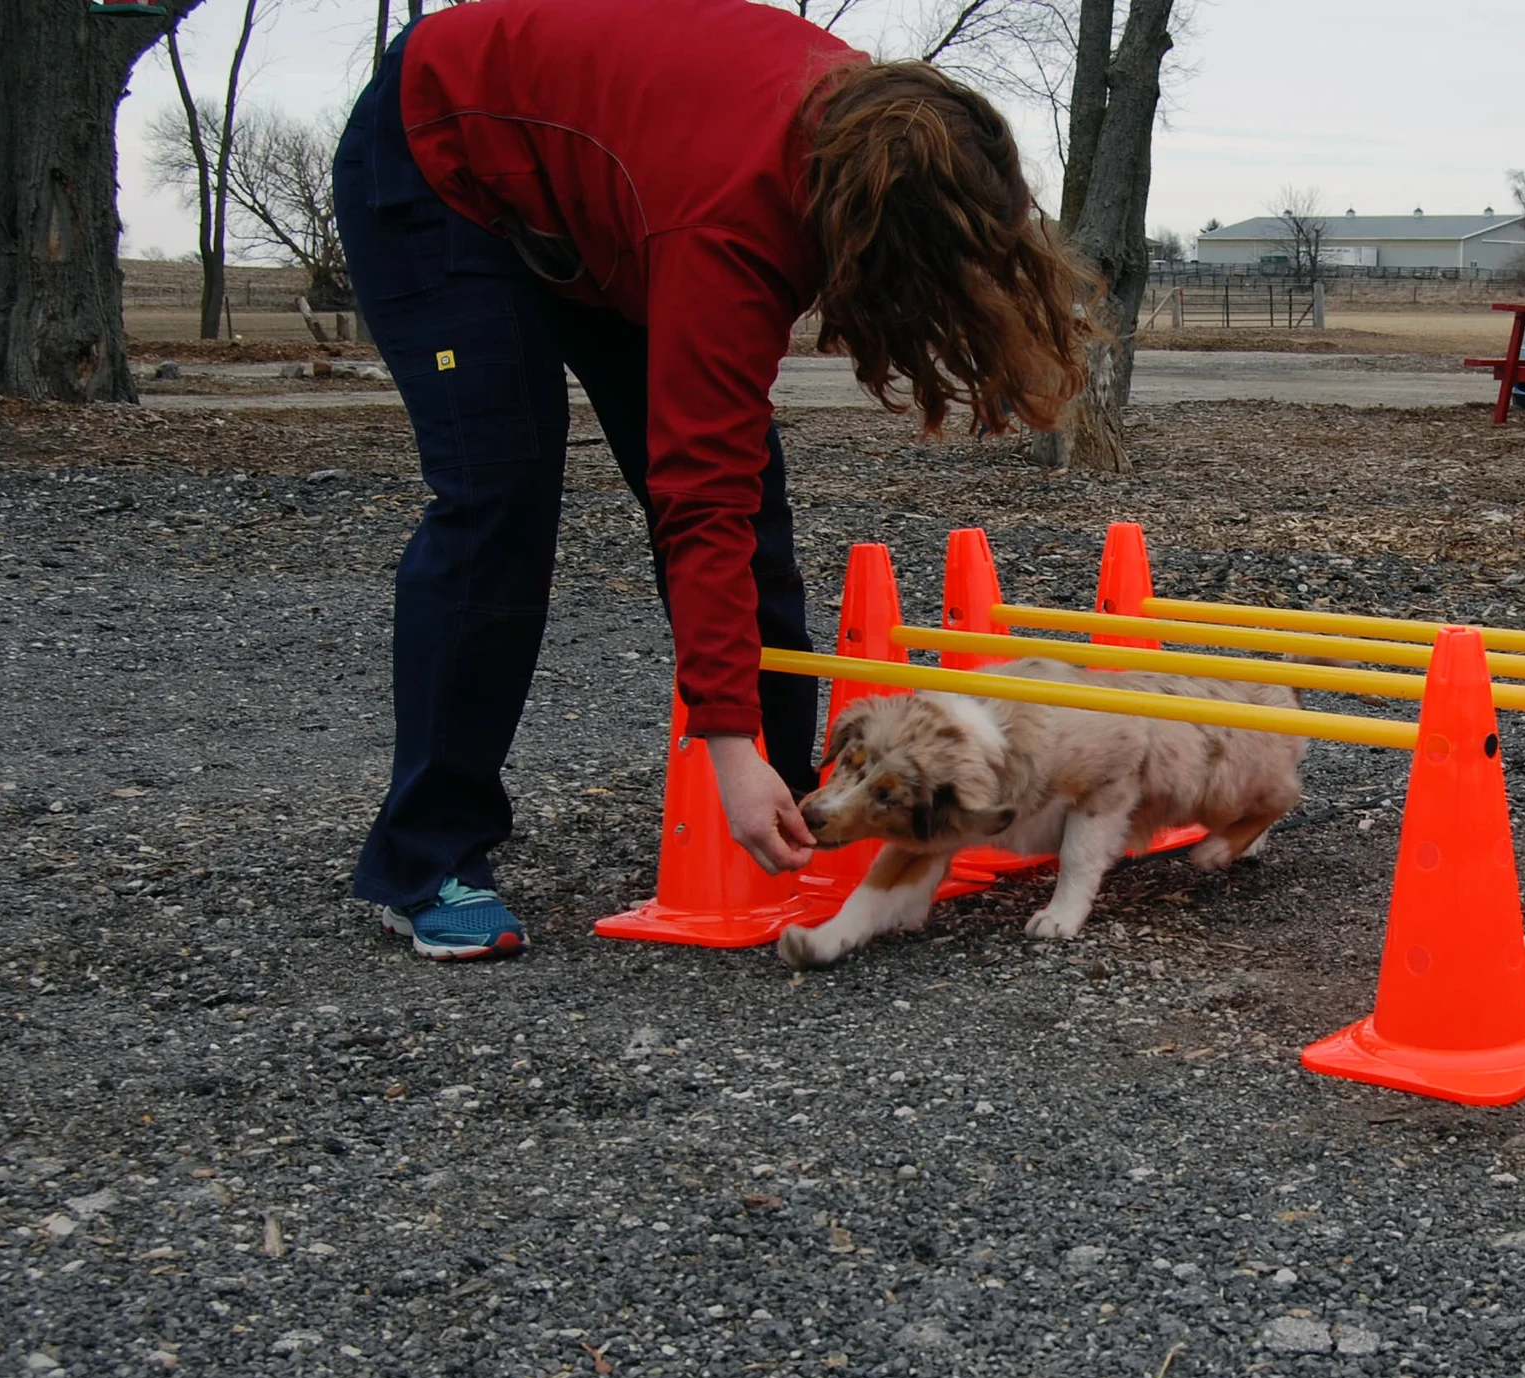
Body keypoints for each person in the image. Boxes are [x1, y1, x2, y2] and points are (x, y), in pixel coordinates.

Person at [334, 0, 1090, 959]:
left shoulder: (876, 122)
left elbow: (729, 488)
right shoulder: (729, 232)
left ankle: (789, 807)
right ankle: (425, 857)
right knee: (499, 499)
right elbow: (699, 497)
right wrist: (721, 745)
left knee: (752, 494)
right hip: (437, 156)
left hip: (605, 194)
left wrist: (768, 768)